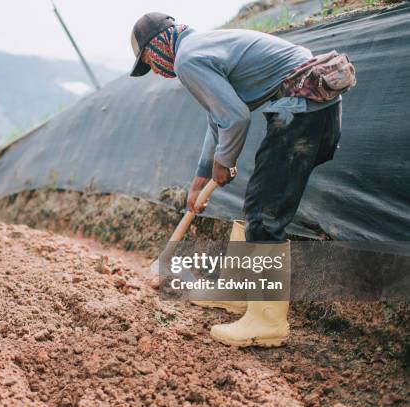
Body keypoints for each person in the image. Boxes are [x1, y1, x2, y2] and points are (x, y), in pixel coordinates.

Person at [130, 13, 347, 347]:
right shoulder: (202, 47)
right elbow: (215, 119)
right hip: (316, 107)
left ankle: (267, 323)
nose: (156, 70)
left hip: (305, 110)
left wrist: (223, 163)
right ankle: (235, 293)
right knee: (258, 203)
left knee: (265, 213)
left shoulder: (188, 59)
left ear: (158, 45)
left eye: (150, 61)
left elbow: (235, 117)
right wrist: (202, 176)